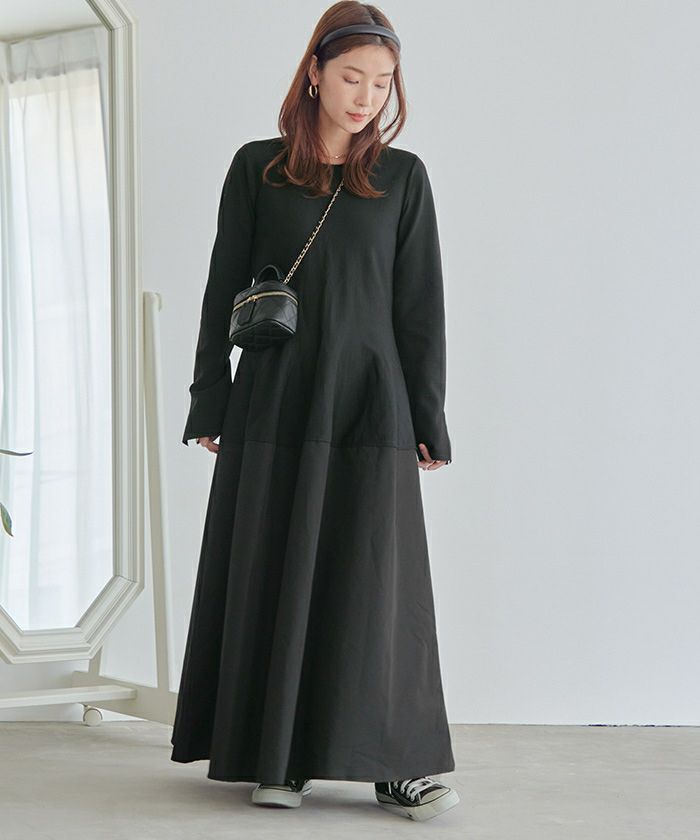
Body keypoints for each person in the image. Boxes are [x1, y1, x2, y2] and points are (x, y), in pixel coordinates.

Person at [170, 1, 459, 823]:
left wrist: (428, 417)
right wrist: (210, 395)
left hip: (369, 402)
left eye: (383, 82)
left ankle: (396, 766)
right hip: (276, 396)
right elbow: (221, 289)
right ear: (315, 74)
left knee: (375, 584)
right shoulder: (256, 169)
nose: (367, 96)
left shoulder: (403, 178)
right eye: (352, 77)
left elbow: (419, 309)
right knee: (275, 566)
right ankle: (282, 757)